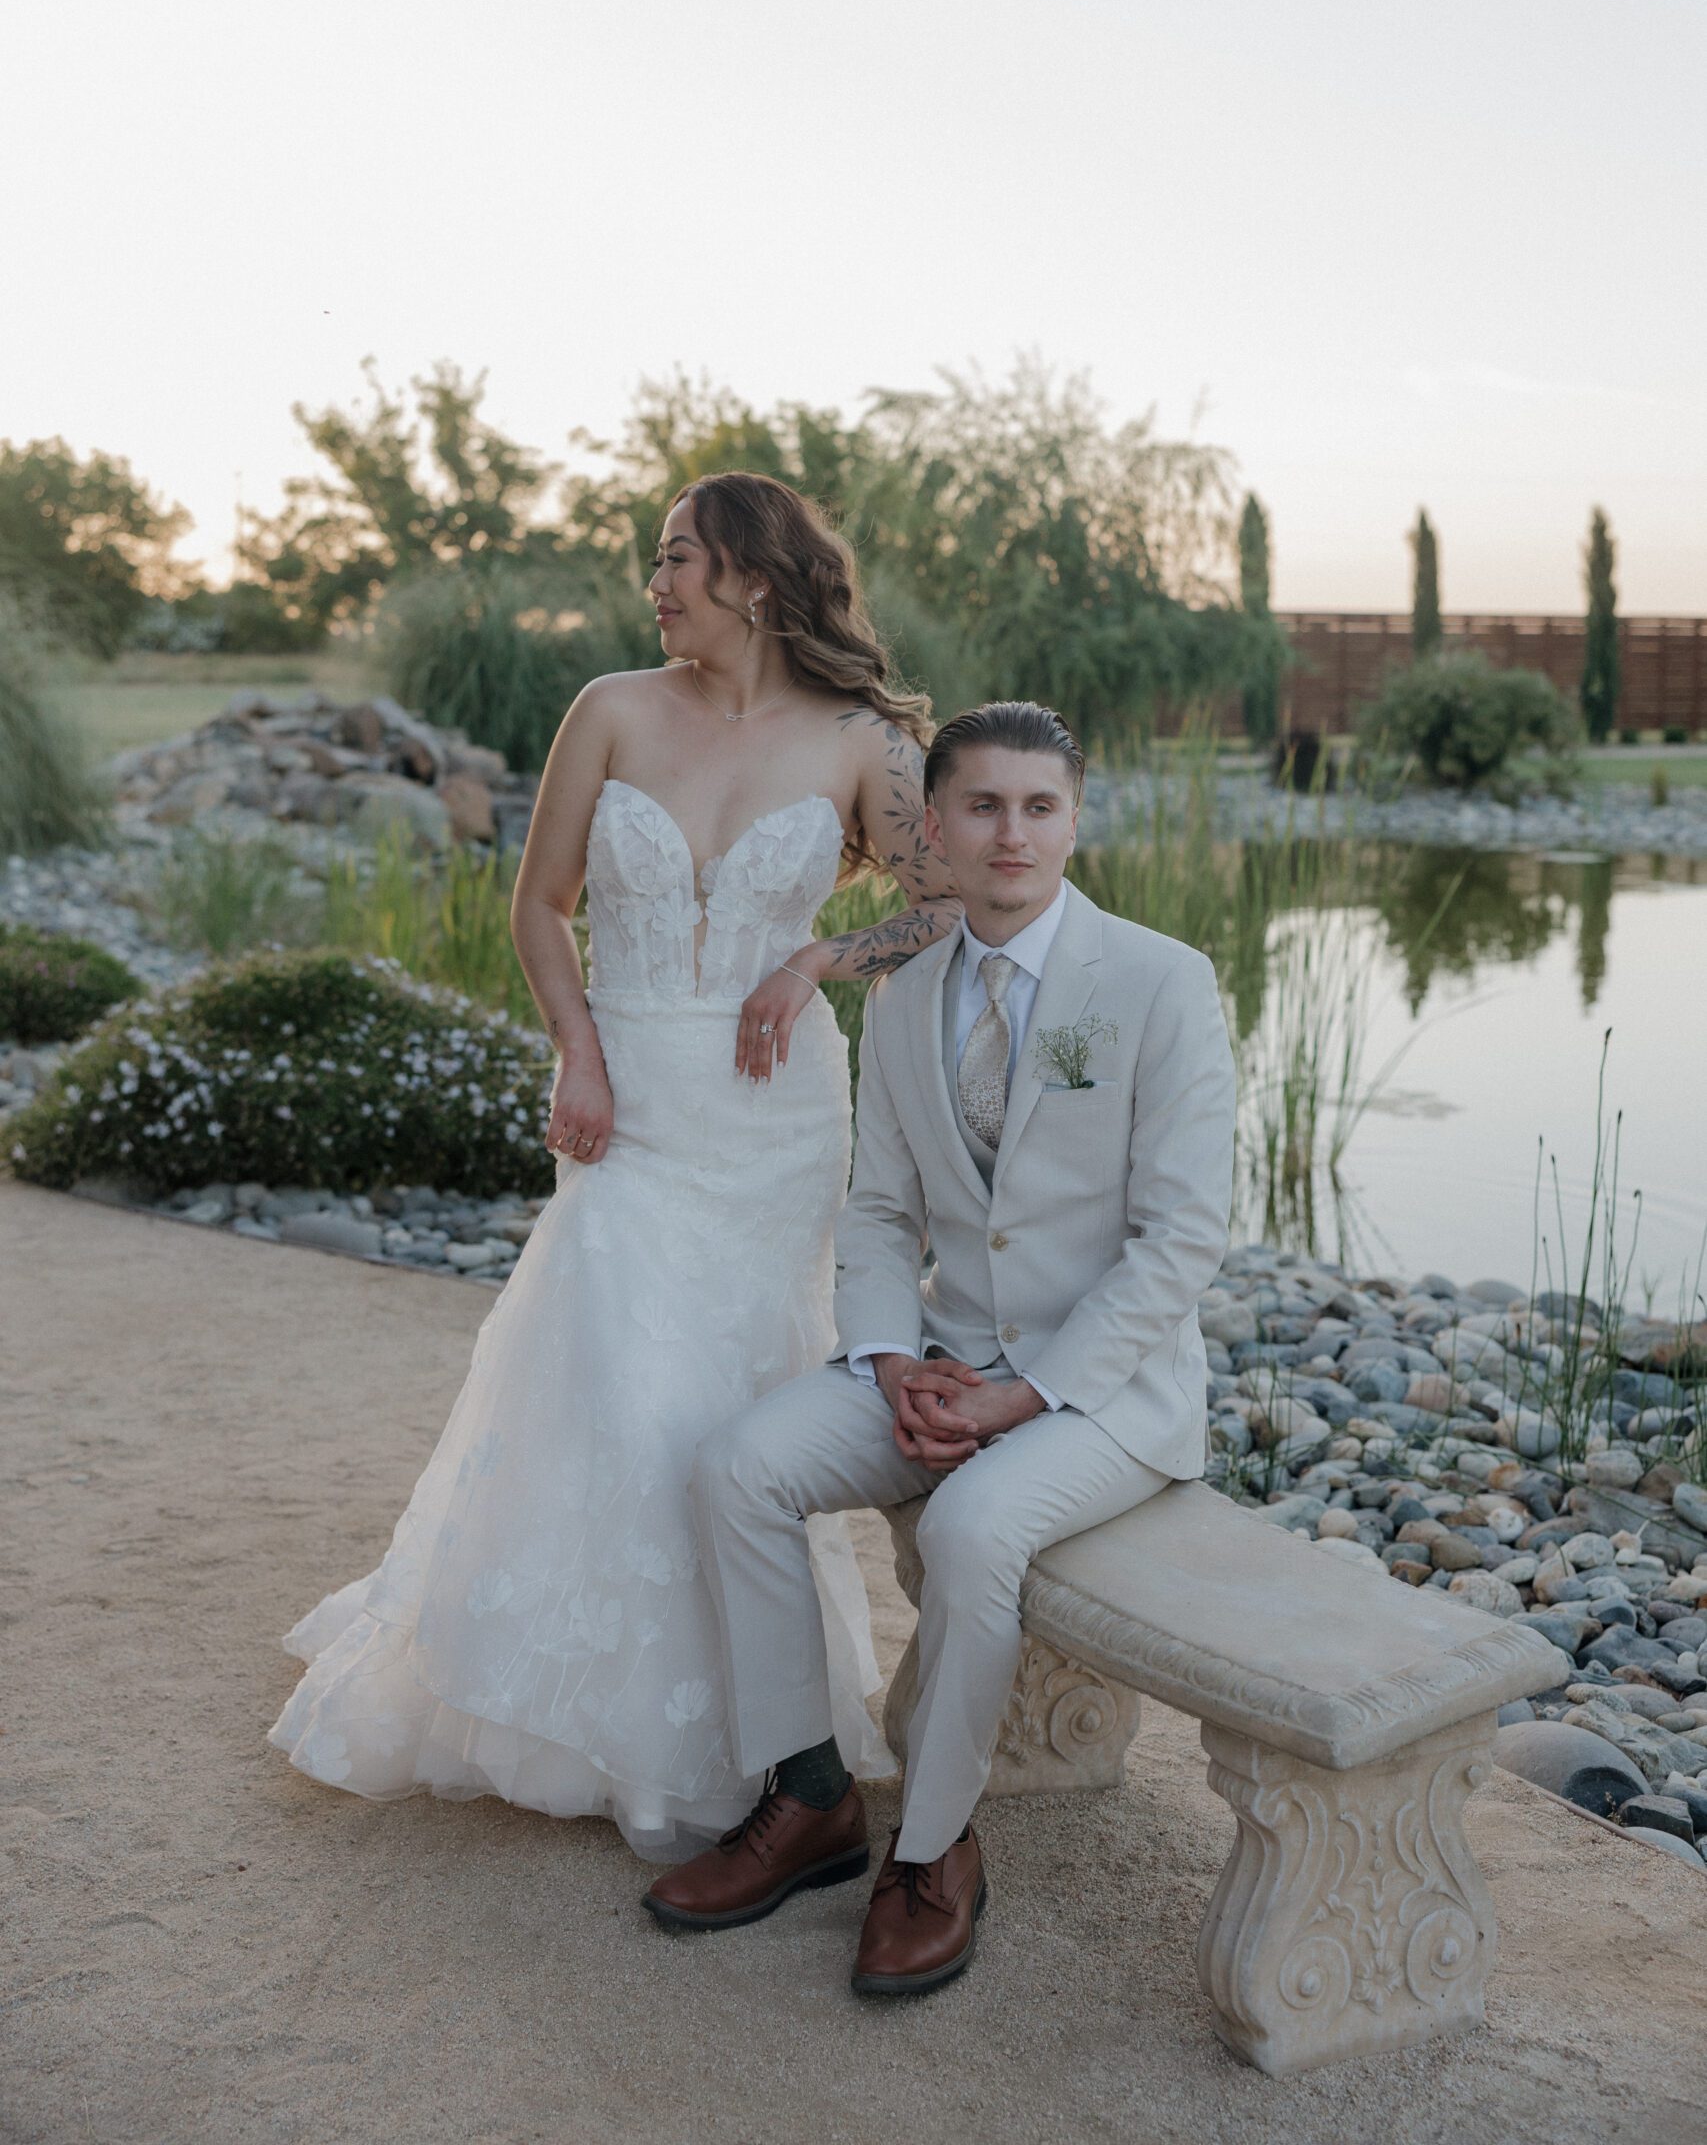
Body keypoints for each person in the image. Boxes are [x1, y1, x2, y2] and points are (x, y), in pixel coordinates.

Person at [269, 472, 962, 1858]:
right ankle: (579, 1710)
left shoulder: (866, 741)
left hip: (772, 1123)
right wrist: (575, 1049)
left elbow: (941, 906)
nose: (655, 585)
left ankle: (751, 1738)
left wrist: (819, 953)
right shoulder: (611, 708)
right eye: (659, 563)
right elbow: (540, 903)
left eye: (677, 561)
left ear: (755, 580)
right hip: (632, 1094)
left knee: (732, 1397)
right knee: (610, 1374)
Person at [642, 700, 1236, 1991]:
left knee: (972, 1532)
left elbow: (1183, 1237)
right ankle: (806, 1795)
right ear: (938, 829)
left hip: (1103, 1398)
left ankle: (933, 1850)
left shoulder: (1159, 980)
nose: (1011, 833)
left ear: (1073, 820)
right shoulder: (904, 998)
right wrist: (887, 1361)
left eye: (1038, 806)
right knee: (738, 1466)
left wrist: (1023, 1397)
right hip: (939, 1368)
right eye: (982, 806)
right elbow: (878, 1211)